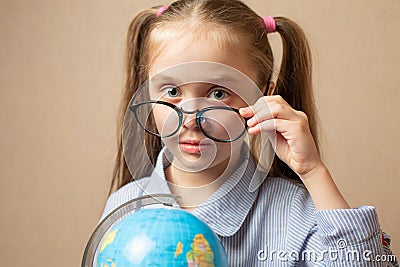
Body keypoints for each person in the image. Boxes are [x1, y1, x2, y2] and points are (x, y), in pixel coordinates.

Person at [99, 0, 398, 265]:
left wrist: (313, 171)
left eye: (218, 94)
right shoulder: (125, 207)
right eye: (172, 90)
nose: (189, 119)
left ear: (261, 97)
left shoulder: (293, 213)